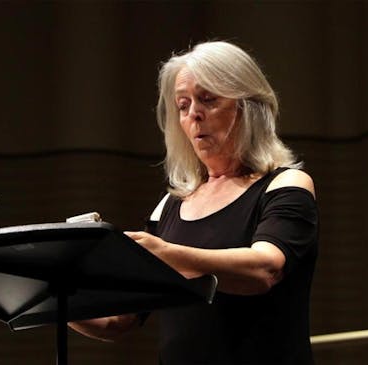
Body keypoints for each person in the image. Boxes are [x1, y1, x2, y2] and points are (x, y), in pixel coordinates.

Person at [69, 41, 319, 365]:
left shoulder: (285, 184)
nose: (193, 115)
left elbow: (264, 268)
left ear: (248, 106)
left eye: (208, 99)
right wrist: (53, 290)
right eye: (183, 105)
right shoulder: (171, 205)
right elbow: (118, 320)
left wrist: (164, 254)